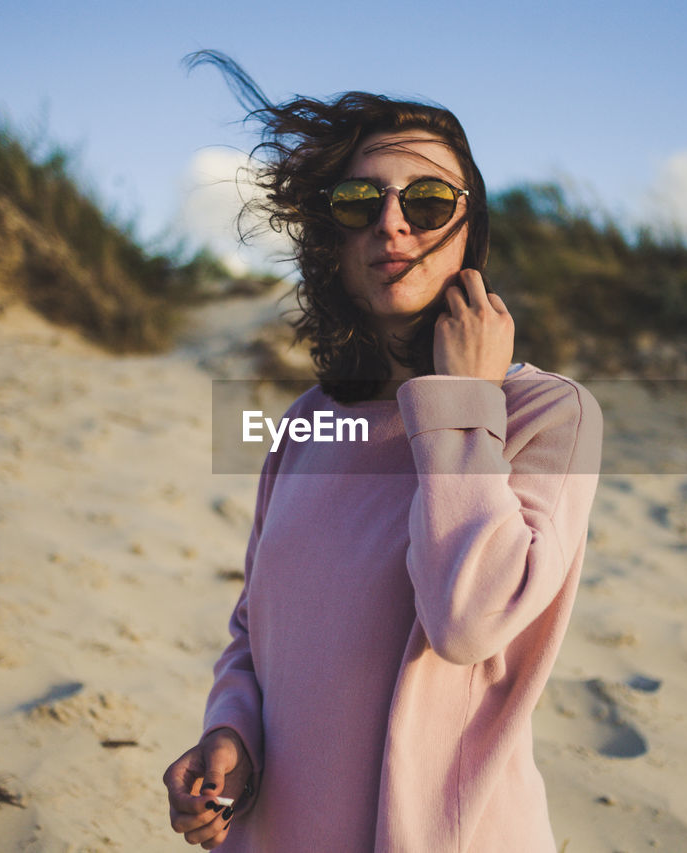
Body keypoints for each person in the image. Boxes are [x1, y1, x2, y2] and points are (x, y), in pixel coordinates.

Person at [164, 52, 603, 852]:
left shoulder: (545, 412)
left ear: (471, 232)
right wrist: (231, 734)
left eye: (430, 200)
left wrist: (464, 403)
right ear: (333, 238)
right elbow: (253, 632)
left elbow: (469, 621)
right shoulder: (306, 425)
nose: (391, 224)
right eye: (360, 200)